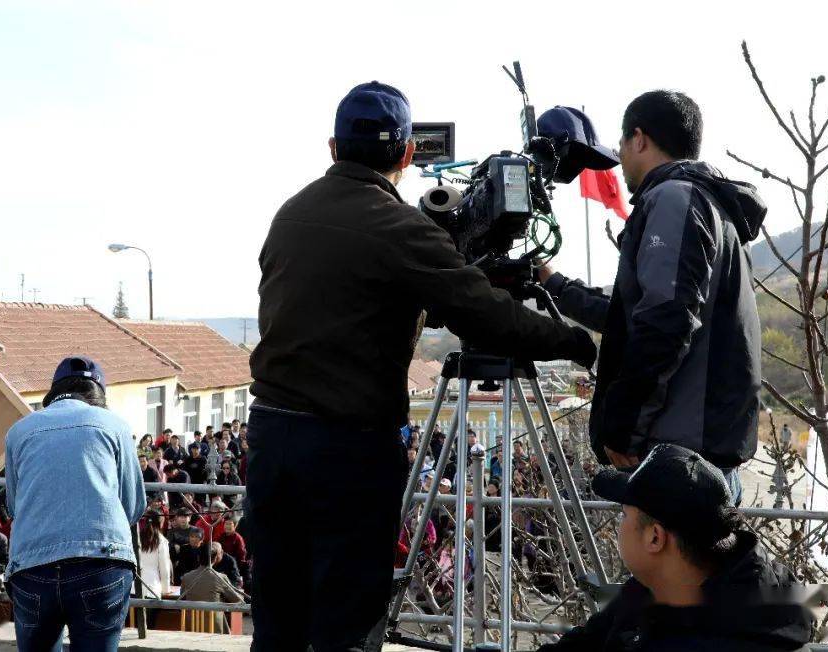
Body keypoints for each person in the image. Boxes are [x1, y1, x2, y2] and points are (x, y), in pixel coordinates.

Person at [248, 81, 596, 651]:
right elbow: (486, 314)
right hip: (348, 448)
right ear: (408, 155)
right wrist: (574, 340)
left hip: (271, 438)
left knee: (279, 614)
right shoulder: (398, 227)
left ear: (333, 148)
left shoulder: (289, 215)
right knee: (346, 622)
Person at [537, 93, 766, 504]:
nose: (621, 156)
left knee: (672, 569)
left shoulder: (674, 199)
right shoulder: (711, 205)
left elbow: (666, 320)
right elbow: (635, 316)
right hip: (697, 451)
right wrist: (554, 284)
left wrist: (623, 426)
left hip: (678, 455)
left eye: (623, 144)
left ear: (639, 139)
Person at [538, 444, 812, 651]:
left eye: (624, 515)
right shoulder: (654, 588)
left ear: (655, 538)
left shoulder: (732, 637)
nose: (619, 526)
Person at [3, 356, 146, 652]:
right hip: (102, 563)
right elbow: (132, 506)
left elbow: (14, 506)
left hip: (32, 567)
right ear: (98, 395)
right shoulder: (115, 426)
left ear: (53, 392)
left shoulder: (19, 431)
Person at [180, 546, 245, 634]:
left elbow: (181, 599)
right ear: (215, 559)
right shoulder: (220, 578)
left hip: (191, 626)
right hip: (214, 628)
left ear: (198, 558)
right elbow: (236, 599)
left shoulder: (186, 577)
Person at [137, 511, 172, 600]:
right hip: (152, 588)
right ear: (160, 523)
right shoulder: (162, 541)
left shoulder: (136, 538)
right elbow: (164, 569)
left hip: (134, 588)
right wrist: (166, 589)